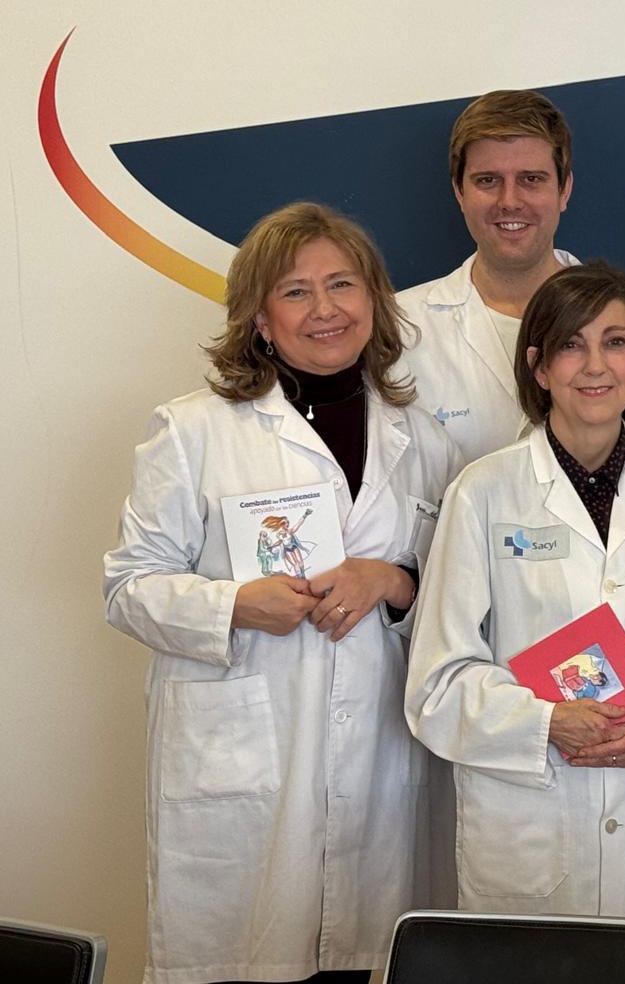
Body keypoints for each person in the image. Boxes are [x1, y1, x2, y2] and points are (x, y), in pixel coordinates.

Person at [103, 202, 457, 984]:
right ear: (260, 318)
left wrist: (393, 580)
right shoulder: (194, 431)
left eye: (343, 284)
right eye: (296, 291)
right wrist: (236, 605)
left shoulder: (424, 441)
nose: (325, 309)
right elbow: (128, 585)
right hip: (246, 772)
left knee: (361, 962)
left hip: (378, 768)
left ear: (374, 299)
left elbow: (455, 599)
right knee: (246, 956)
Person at [406, 262, 625, 919]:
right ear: (539, 367)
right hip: (526, 821)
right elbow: (439, 680)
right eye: (572, 344)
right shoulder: (483, 491)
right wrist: (546, 722)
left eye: (615, 342)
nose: (595, 365)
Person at [399, 88, 625, 463]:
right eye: (487, 180)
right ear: (459, 191)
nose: (509, 201)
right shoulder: (400, 331)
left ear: (564, 190)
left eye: (531, 179)